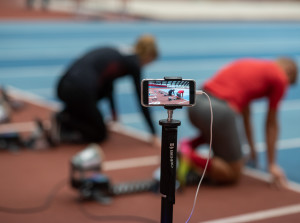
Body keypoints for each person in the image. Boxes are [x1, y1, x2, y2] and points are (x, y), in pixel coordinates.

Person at [178, 57, 298, 188]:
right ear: (289, 72)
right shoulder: (280, 77)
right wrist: (272, 165)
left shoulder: (254, 66)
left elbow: (246, 116)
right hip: (218, 112)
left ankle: (189, 145)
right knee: (232, 172)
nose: (285, 85)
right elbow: (271, 124)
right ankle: (188, 154)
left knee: (220, 135)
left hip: (196, 103)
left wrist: (252, 148)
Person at [48, 34, 160, 146]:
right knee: (99, 134)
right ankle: (65, 121)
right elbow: (142, 98)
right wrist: (153, 133)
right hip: (79, 90)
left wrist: (114, 114)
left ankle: (67, 116)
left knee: (97, 99)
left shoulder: (122, 52)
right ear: (148, 56)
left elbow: (108, 86)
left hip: (64, 86)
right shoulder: (133, 62)